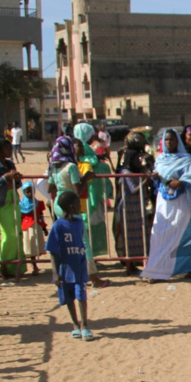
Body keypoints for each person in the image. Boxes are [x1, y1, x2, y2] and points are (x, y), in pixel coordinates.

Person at [141, 130, 191, 282]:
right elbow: (158, 178)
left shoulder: (187, 160)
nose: (169, 142)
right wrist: (154, 177)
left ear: (177, 141)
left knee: (183, 235)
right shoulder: (160, 160)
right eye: (166, 139)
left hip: (182, 202)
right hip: (164, 202)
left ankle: (189, 268)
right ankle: (157, 269)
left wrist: (182, 181)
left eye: (172, 139)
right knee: (160, 234)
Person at [46, 191, 94, 340]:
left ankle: (85, 325)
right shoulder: (58, 226)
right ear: (71, 206)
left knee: (81, 295)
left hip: (78, 266)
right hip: (64, 268)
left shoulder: (79, 223)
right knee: (69, 298)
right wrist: (55, 272)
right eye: (78, 204)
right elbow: (53, 251)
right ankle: (75, 324)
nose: (80, 206)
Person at [73, 123, 112, 287]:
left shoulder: (83, 150)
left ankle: (90, 265)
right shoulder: (81, 151)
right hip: (83, 199)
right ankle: (91, 273)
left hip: (80, 200)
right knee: (84, 235)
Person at [0, 138, 25, 279]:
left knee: (17, 234)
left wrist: (17, 179)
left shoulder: (9, 163)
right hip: (0, 203)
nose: (10, 151)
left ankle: (14, 266)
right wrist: (5, 178)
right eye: (7, 148)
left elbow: (17, 185)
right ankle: (1, 266)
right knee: (8, 235)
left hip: (13, 200)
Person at [114, 143, 152, 275]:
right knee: (129, 239)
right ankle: (130, 267)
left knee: (143, 236)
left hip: (138, 207)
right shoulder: (126, 173)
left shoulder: (136, 171)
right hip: (128, 208)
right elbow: (134, 189)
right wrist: (145, 179)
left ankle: (143, 264)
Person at [19, 180, 47, 276]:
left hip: (36, 226)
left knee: (35, 247)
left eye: (31, 191)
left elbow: (40, 215)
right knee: (28, 247)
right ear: (23, 192)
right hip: (26, 228)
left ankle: (34, 266)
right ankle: (30, 266)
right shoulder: (21, 205)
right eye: (27, 191)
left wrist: (44, 228)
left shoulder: (38, 203)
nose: (30, 193)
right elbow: (20, 217)